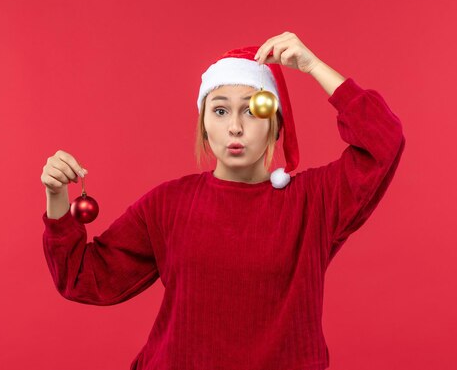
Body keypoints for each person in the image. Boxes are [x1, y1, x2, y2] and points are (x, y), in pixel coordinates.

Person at [40, 32, 406, 370]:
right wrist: (56, 196)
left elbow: (383, 141)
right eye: (219, 110)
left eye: (253, 109)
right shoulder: (169, 204)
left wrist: (312, 66)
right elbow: (83, 277)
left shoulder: (314, 202)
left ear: (276, 124)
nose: (235, 125)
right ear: (203, 124)